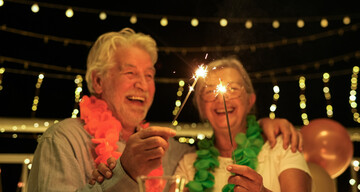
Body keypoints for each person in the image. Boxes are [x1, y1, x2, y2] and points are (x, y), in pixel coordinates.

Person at [27, 28, 303, 192]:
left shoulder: (170, 151)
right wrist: (123, 173)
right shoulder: (63, 141)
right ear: (98, 81)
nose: (143, 84)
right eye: (130, 72)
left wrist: (267, 122)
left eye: (149, 75)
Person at [173, 57, 312, 192]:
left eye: (233, 88)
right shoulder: (188, 164)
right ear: (201, 107)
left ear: (250, 101)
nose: (222, 99)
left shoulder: (282, 147)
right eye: (210, 91)